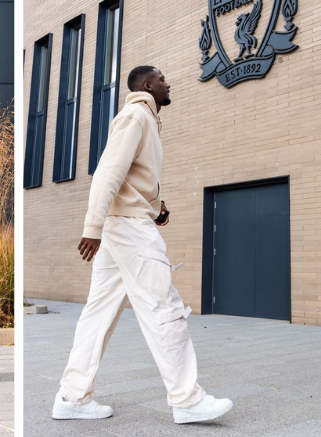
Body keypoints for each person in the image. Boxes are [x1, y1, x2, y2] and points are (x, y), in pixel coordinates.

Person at [52, 66, 233, 424]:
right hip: (128, 230)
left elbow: (132, 179)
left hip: (125, 225)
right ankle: (187, 399)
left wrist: (157, 207)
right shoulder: (136, 115)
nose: (169, 83)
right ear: (148, 86)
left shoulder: (145, 120)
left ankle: (72, 397)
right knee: (163, 307)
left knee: (98, 314)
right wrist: (93, 226)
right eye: (162, 79)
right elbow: (108, 172)